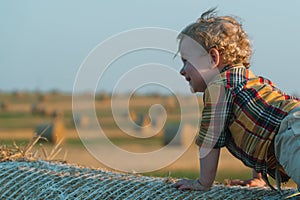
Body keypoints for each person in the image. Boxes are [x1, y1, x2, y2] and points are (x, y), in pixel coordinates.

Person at [173, 8, 300, 192]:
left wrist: (202, 183)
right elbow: (260, 130)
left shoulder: (218, 87)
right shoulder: (249, 82)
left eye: (186, 61)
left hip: (292, 134)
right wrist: (258, 179)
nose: (182, 70)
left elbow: (210, 140)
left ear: (212, 58)